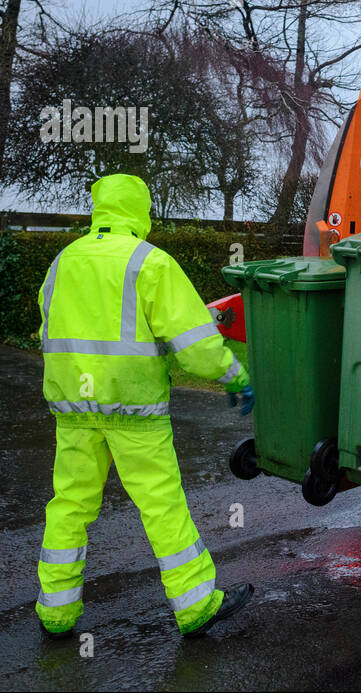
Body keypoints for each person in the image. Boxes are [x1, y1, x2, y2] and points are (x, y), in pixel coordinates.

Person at [34, 174, 254, 639]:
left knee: (69, 504)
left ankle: (56, 610)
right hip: (134, 409)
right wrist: (234, 374)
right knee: (161, 504)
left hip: (73, 407)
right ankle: (195, 605)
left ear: (99, 208)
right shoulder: (149, 262)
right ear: (140, 210)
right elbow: (194, 345)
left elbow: (47, 328)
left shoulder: (62, 261)